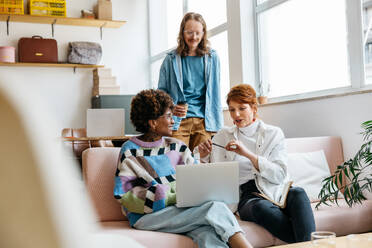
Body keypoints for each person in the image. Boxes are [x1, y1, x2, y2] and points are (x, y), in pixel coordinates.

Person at [113, 89, 252, 248]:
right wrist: (169, 194)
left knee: (208, 233)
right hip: (147, 216)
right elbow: (123, 195)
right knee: (214, 208)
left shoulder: (177, 146)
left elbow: (196, 177)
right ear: (153, 122)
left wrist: (200, 162)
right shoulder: (129, 150)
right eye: (169, 116)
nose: (174, 121)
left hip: (183, 212)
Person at [196, 84, 316, 243]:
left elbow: (279, 175)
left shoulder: (273, 133)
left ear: (254, 108)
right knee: (262, 208)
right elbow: (210, 177)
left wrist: (247, 154)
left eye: (242, 108)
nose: (236, 114)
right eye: (231, 109)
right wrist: (203, 157)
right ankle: (311, 245)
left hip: (275, 189)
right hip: (247, 195)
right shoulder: (222, 135)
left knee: (299, 193)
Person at [158, 12, 223, 151]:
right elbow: (160, 93)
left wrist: (217, 124)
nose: (194, 37)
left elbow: (215, 92)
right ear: (182, 32)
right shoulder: (170, 60)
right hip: (178, 122)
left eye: (198, 33)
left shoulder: (213, 58)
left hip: (204, 122)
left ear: (204, 33)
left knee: (201, 165)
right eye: (189, 32)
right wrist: (171, 107)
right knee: (177, 163)